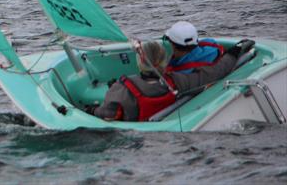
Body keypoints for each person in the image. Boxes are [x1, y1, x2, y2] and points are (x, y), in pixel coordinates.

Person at [92, 38, 254, 122]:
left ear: (140, 62)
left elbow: (109, 114)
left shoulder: (121, 88)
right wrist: (235, 51)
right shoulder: (177, 82)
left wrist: (91, 111)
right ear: (164, 62)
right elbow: (214, 73)